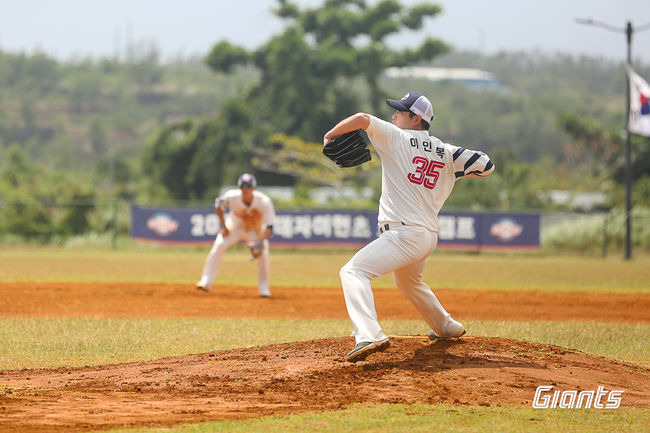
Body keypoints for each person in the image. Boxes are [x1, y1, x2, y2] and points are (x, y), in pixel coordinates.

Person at [323, 91, 495, 362]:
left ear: (415, 118)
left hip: (403, 234)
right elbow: (486, 164)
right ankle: (446, 326)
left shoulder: (396, 137)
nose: (394, 115)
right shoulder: (447, 152)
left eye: (400, 112)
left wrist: (329, 136)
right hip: (427, 235)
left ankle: (368, 334)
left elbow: (362, 118)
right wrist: (452, 167)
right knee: (408, 281)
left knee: (353, 271)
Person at [196, 173, 276, 297]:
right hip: (234, 227)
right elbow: (218, 207)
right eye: (243, 186)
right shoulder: (231, 197)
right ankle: (205, 282)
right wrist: (223, 226)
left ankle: (264, 289)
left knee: (263, 254)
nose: (245, 189)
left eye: (248, 186)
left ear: (254, 188)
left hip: (255, 231)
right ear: (239, 188)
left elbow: (270, 227)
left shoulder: (264, 202)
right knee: (218, 246)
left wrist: (259, 243)